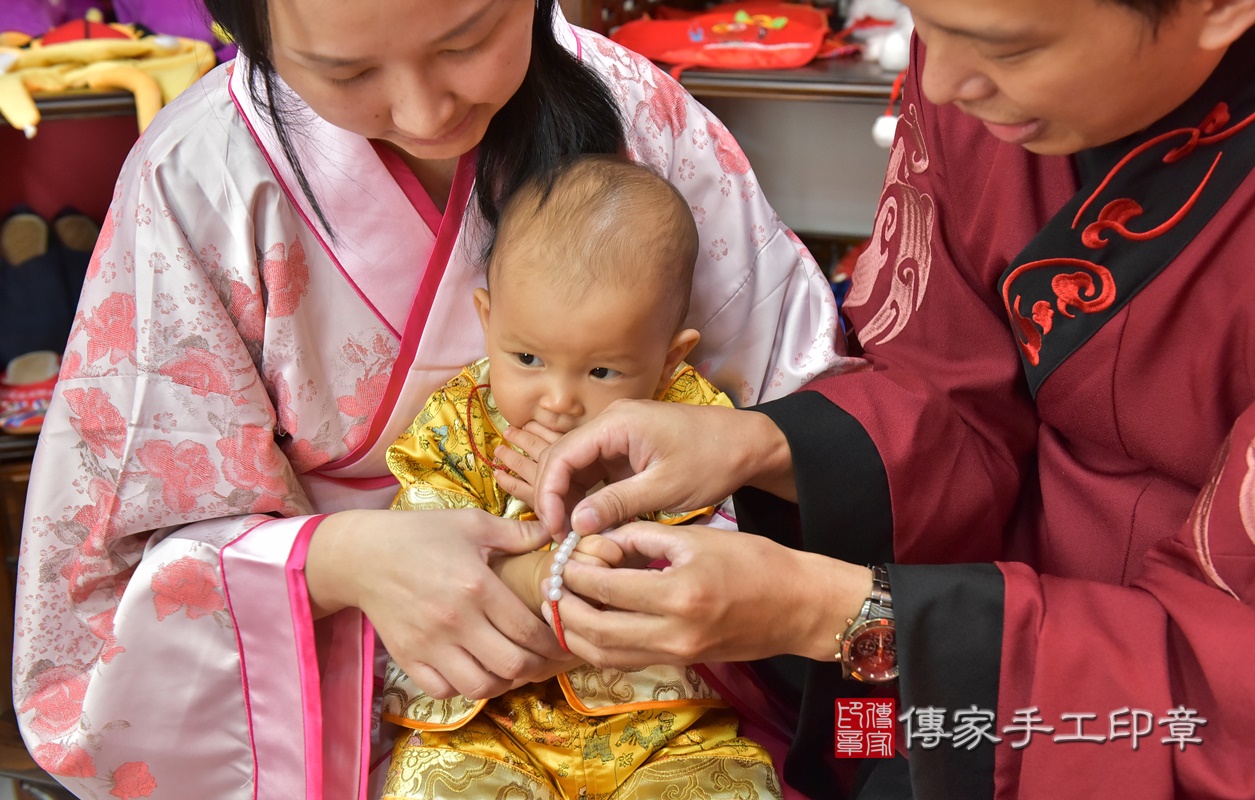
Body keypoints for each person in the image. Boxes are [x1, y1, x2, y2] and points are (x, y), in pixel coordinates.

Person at [10, 0, 852, 797]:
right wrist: (339, 561)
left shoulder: (642, 115)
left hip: (663, 677)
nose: (421, 109)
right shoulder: (196, 174)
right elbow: (113, 564)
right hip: (370, 693)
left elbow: (805, 423)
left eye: (463, 41)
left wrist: (657, 518)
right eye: (346, 71)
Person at [528, 0, 1255, 798]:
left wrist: (835, 613)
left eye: (1001, 45)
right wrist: (759, 446)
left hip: (1147, 697)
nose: (935, 84)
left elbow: (1227, 677)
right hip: (976, 605)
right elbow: (945, 383)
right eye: (919, 24)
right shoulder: (968, 90)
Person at [378, 154, 781, 799]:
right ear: (487, 322)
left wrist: (596, 499)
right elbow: (420, 540)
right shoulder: (460, 418)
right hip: (488, 721)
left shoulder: (691, 421)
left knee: (729, 783)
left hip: (665, 722)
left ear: (668, 356)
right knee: (433, 785)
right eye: (528, 357)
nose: (559, 400)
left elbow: (726, 546)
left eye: (602, 372)